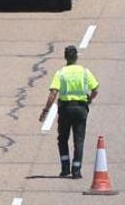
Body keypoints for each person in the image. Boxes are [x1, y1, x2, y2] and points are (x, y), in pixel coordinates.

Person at [39, 45, 99, 179]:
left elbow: (53, 93)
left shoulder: (61, 73)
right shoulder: (84, 72)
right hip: (81, 109)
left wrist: (46, 110)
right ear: (76, 57)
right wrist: (89, 99)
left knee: (62, 139)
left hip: (65, 109)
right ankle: (76, 170)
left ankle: (65, 168)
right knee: (79, 140)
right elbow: (95, 89)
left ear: (65, 57)